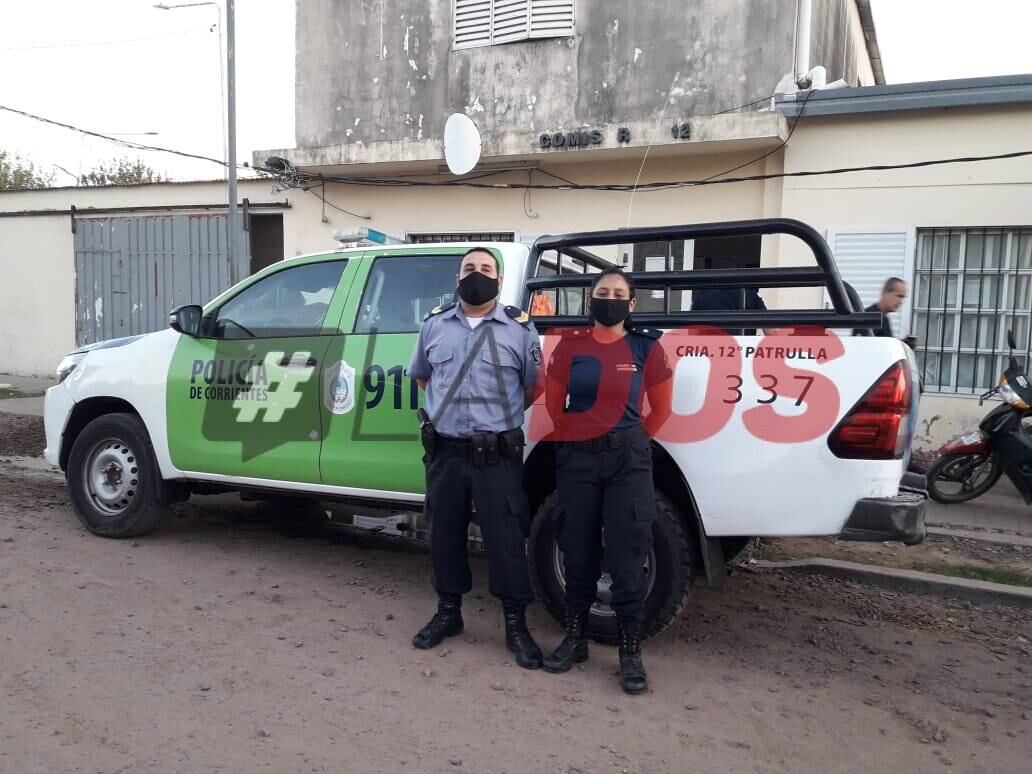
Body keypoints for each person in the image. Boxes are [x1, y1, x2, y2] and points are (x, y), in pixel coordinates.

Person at [407, 247, 545, 669]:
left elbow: (532, 387)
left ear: (500, 282)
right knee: (444, 535)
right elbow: (424, 378)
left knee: (505, 540)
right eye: (470, 268)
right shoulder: (434, 326)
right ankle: (449, 614)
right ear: (457, 277)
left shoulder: (519, 329)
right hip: (446, 451)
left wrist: (495, 420)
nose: (477, 274)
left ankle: (515, 624)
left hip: (496, 455)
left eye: (486, 269)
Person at [542, 266, 673, 694]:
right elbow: (553, 405)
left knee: (627, 555)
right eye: (603, 291)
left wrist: (627, 443)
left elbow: (662, 411)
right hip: (577, 462)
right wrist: (578, 439)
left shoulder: (645, 348)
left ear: (631, 304)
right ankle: (575, 638)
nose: (610, 298)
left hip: (627, 465)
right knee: (577, 550)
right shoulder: (569, 345)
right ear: (590, 299)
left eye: (619, 293)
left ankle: (629, 651)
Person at [690, 286, 770, 336]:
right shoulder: (750, 293)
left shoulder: (703, 296)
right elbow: (770, 331)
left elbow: (691, 331)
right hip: (742, 349)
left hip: (710, 350)